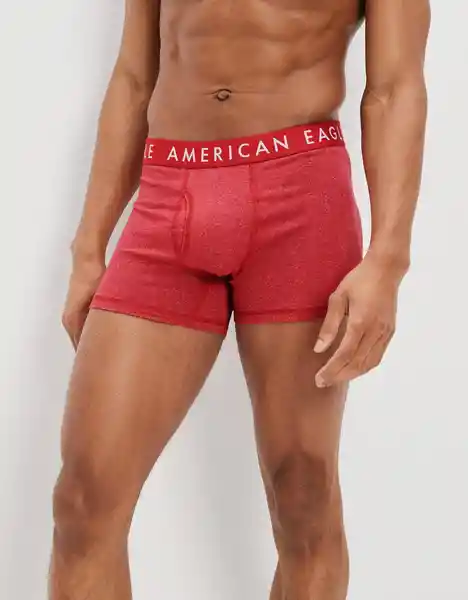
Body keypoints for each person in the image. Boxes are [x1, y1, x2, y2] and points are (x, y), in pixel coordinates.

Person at [49, 0, 431, 598]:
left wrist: (388, 259)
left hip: (300, 197)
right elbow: (134, 76)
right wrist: (88, 247)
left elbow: (394, 88)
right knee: (84, 498)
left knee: (302, 493)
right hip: (167, 194)